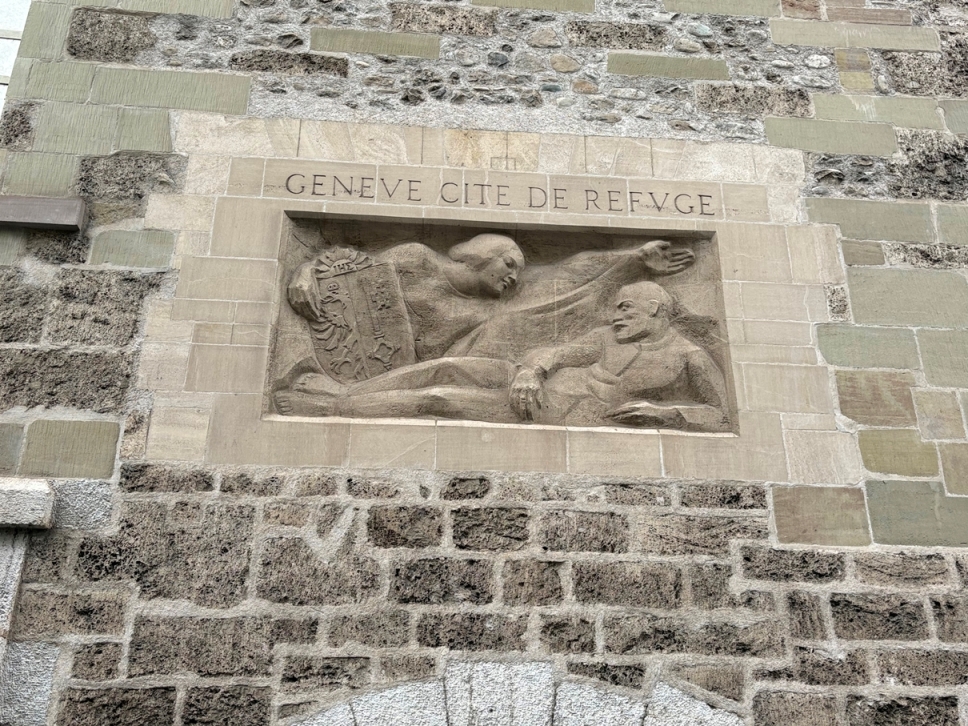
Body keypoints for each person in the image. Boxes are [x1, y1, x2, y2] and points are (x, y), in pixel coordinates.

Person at [509, 281, 730, 431]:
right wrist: (530, 371)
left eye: (625, 308)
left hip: (583, 428)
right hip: (538, 403)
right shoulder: (604, 337)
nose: (615, 318)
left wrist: (666, 414)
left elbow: (722, 416)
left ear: (653, 309)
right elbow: (558, 353)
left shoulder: (690, 355)